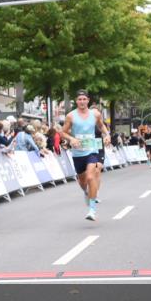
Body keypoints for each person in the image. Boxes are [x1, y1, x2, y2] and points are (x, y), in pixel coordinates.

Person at [61, 90, 111, 221]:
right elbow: (63, 132)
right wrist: (71, 139)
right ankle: (86, 192)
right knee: (82, 181)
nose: (82, 101)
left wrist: (107, 135)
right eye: (79, 99)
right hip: (78, 153)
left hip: (92, 150)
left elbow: (102, 126)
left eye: (84, 99)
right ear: (76, 101)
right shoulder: (70, 116)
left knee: (90, 176)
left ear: (88, 100)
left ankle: (92, 210)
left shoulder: (95, 114)